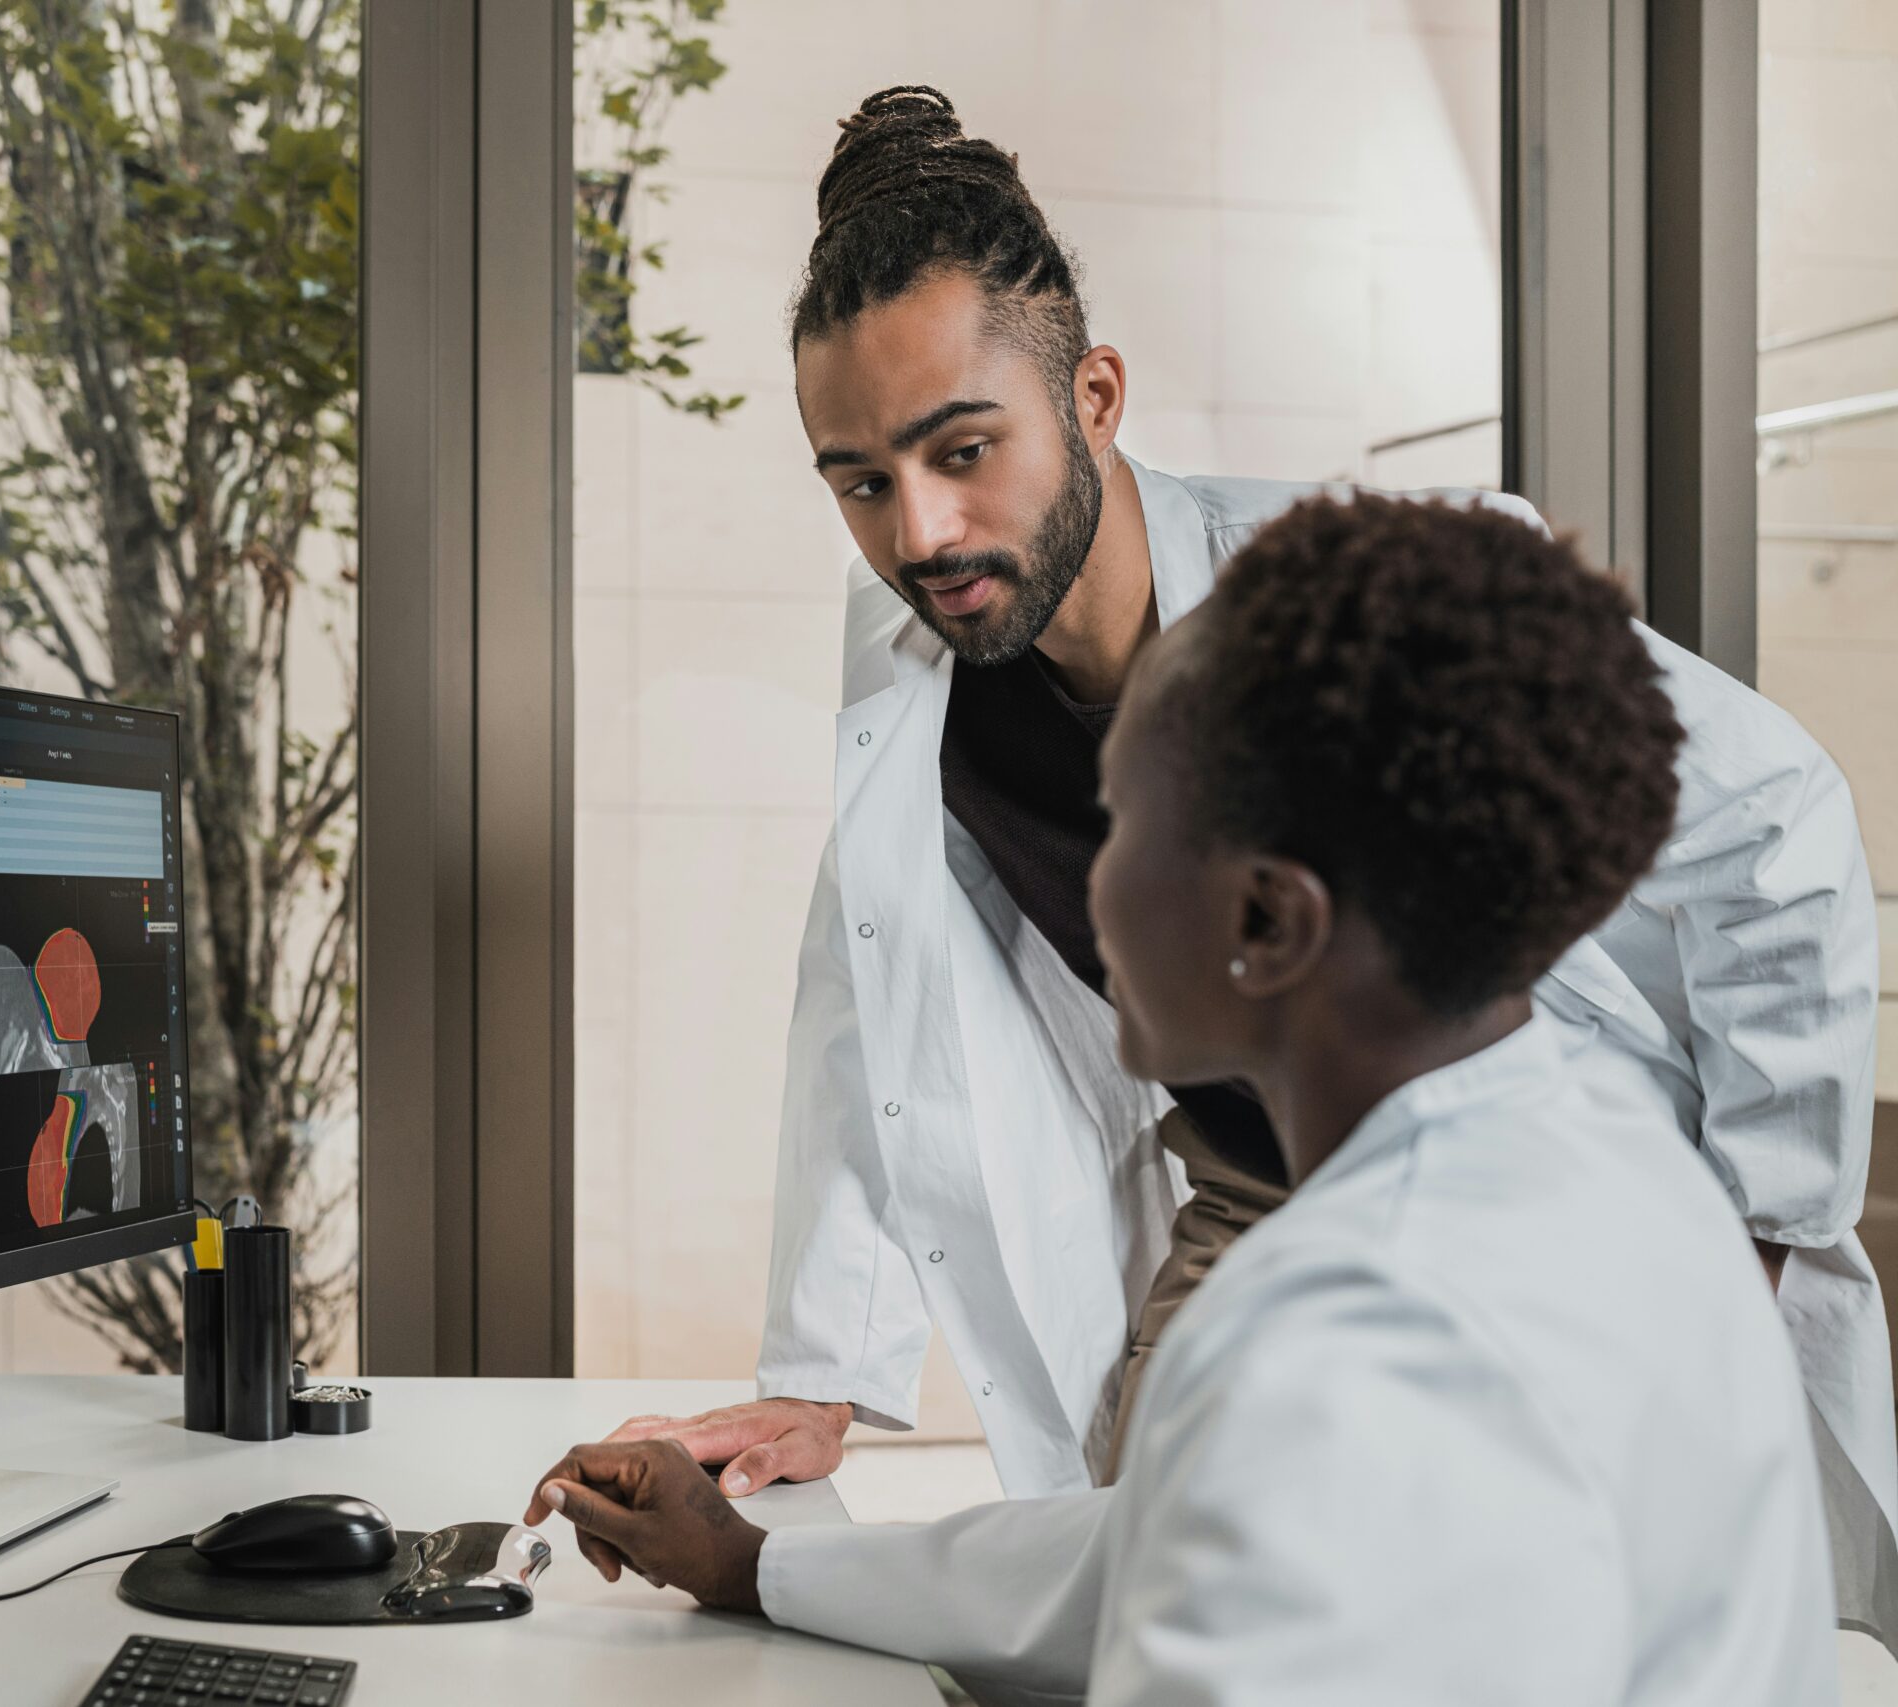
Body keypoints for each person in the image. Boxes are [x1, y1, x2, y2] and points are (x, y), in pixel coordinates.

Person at [599, 83, 1894, 1628]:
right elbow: (868, 977)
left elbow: (1777, 818)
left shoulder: (1350, 596)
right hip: (1244, 1178)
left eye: (962, 450)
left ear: (1093, 397)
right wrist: (822, 1383)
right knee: (1170, 1576)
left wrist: (1751, 1233)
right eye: (862, 483)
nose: (921, 532)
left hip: (1495, 1172)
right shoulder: (921, 662)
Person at [532, 495, 1840, 1704]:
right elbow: (1162, 1536)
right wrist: (749, 1565)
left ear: (1266, 921)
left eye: (1125, 824)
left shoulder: (1333, 1327)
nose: (1081, 886)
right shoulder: (1630, 1185)